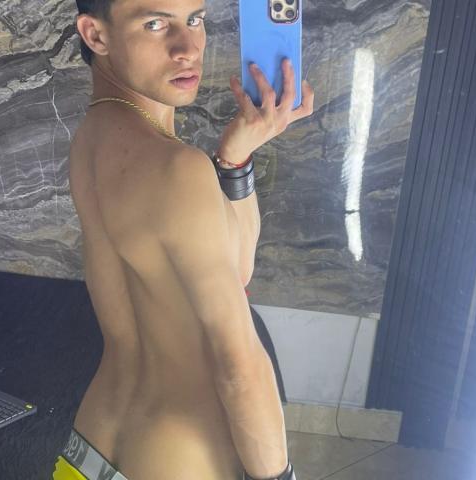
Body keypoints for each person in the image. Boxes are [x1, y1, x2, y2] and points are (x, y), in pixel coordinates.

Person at [51, 0, 314, 479]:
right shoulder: (178, 169)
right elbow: (239, 369)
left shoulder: (92, 139)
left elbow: (237, 266)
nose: (187, 48)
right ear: (95, 35)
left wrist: (235, 159)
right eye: (155, 24)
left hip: (90, 443)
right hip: (179, 459)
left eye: (195, 19)